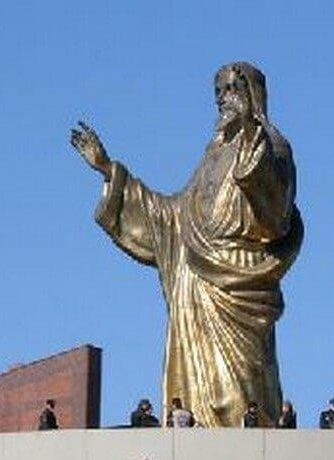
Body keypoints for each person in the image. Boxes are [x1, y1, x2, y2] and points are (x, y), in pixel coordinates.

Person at [72, 63, 303, 428]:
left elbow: (275, 215)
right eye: (218, 94)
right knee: (197, 392)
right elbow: (172, 216)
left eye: (230, 90)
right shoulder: (211, 157)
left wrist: (250, 137)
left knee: (241, 389)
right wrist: (108, 169)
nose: (222, 100)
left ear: (251, 94)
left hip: (239, 284)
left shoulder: (271, 146)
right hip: (194, 285)